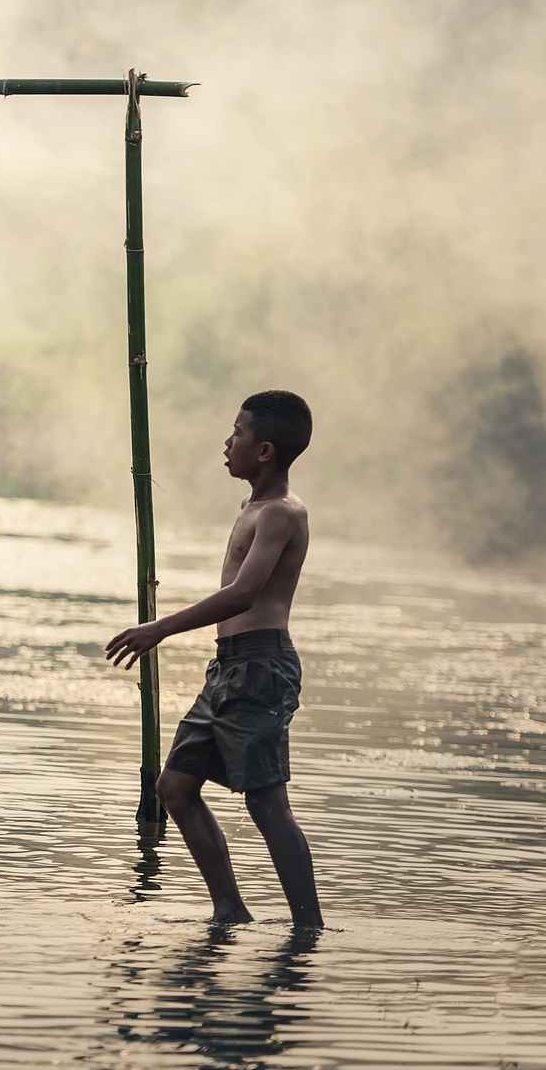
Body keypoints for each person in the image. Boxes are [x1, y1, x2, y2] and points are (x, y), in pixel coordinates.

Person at [106, 391, 322, 928]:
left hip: (260, 668)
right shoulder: (251, 507)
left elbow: (245, 594)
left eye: (237, 433)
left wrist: (159, 628)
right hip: (228, 668)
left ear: (265, 450)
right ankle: (230, 908)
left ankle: (308, 925)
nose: (227, 443)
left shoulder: (282, 515)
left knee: (266, 803)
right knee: (175, 787)